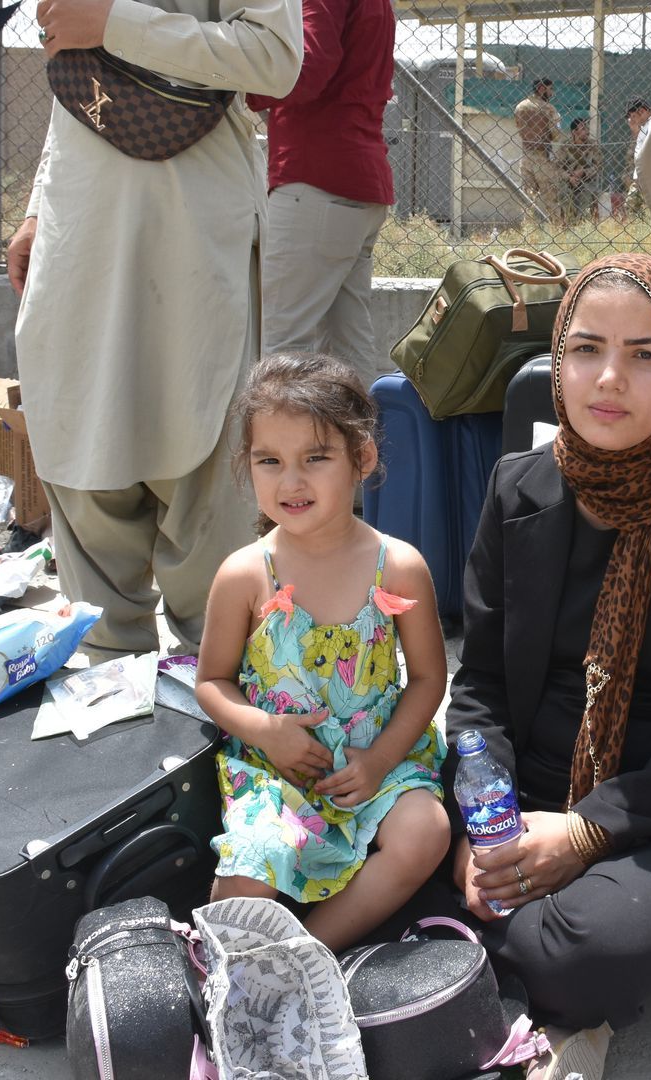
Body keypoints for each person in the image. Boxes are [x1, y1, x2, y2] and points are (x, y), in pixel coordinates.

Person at [400, 254, 651, 1075]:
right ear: (556, 363)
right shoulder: (518, 488)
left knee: (586, 948)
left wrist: (586, 831)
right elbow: (482, 688)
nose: (609, 379)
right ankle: (530, 963)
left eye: (645, 355)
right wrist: (482, 827)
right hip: (526, 793)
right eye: (585, 349)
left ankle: (522, 967)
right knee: (378, 843)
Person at [8, 0, 302, 655]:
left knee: (201, 460)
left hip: (186, 229)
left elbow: (275, 59)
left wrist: (112, 23)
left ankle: (218, 694)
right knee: (84, 452)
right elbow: (77, 81)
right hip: (79, 229)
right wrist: (36, 208)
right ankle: (109, 693)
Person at [196, 353, 449, 951]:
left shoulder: (400, 566)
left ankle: (313, 950)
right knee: (242, 878)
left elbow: (428, 681)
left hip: (379, 767)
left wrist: (382, 760)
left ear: (362, 458)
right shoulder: (244, 574)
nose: (291, 482)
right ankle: (239, 966)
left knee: (426, 833)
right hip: (278, 772)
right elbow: (211, 681)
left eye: (316, 458)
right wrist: (268, 731)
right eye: (269, 461)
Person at [249, 0, 396, 371]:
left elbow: (309, 69)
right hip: (360, 182)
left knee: (284, 345)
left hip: (315, 179)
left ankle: (281, 431)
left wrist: (240, 89)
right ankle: (361, 431)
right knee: (349, 346)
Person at [513, 77, 564, 221]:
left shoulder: (520, 107)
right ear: (542, 89)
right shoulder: (548, 109)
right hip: (543, 159)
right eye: (550, 89)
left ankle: (528, 233)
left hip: (526, 157)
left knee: (528, 200)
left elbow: (519, 128)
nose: (552, 94)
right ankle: (557, 230)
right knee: (551, 200)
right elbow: (556, 135)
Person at [556, 118, 602, 223]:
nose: (587, 131)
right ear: (574, 132)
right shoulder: (565, 146)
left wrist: (584, 172)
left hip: (587, 181)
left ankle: (583, 222)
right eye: (583, 129)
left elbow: (598, 166)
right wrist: (569, 177)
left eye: (587, 128)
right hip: (568, 182)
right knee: (564, 194)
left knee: (587, 197)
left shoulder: (592, 145)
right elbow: (557, 168)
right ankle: (570, 221)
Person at [619, 99, 651, 221]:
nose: (631, 120)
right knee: (631, 205)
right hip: (641, 177)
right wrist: (635, 134)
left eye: (633, 116)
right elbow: (631, 158)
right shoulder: (643, 129)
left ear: (642, 111)